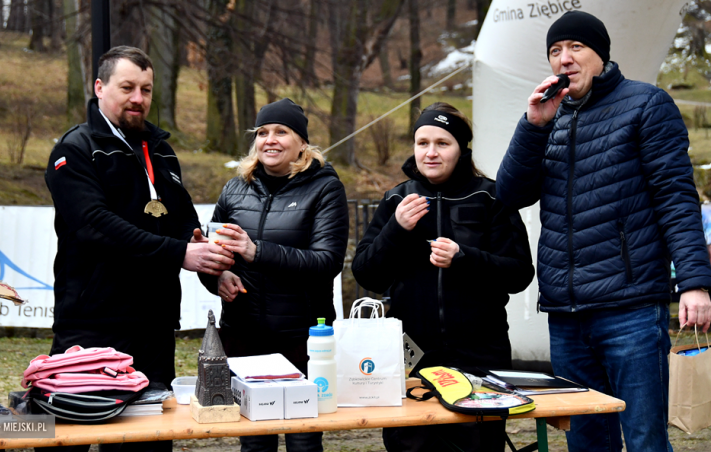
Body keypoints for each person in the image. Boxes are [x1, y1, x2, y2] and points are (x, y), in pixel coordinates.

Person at [496, 10, 711, 452]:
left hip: (629, 305)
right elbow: (511, 194)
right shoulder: (548, 118)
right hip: (566, 311)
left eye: (576, 47)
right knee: (587, 441)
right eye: (555, 51)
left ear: (601, 56)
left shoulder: (646, 104)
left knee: (645, 438)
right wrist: (532, 126)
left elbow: (676, 197)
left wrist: (694, 283)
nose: (564, 59)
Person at [44, 46, 234, 452]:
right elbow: (94, 226)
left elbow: (184, 222)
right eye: (127, 87)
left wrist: (211, 263)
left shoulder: (162, 151)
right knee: (71, 435)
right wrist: (178, 253)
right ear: (99, 87)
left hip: (153, 327)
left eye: (146, 89)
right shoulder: (74, 149)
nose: (138, 99)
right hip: (92, 324)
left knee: (147, 441)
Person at [352, 102, 534, 452]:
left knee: (477, 445)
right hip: (413, 356)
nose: (430, 152)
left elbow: (519, 274)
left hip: (480, 353)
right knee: (413, 445)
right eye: (423, 143)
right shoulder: (397, 199)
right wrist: (396, 229)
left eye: (442, 143)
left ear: (461, 149)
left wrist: (463, 258)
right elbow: (367, 273)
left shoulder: (490, 196)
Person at [199, 98, 349, 452]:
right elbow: (214, 257)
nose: (270, 140)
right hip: (245, 337)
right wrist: (217, 278)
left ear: (302, 142)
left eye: (281, 131)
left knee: (303, 441)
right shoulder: (235, 189)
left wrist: (256, 251)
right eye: (263, 132)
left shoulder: (325, 187)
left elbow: (326, 261)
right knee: (254, 442)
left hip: (302, 338)